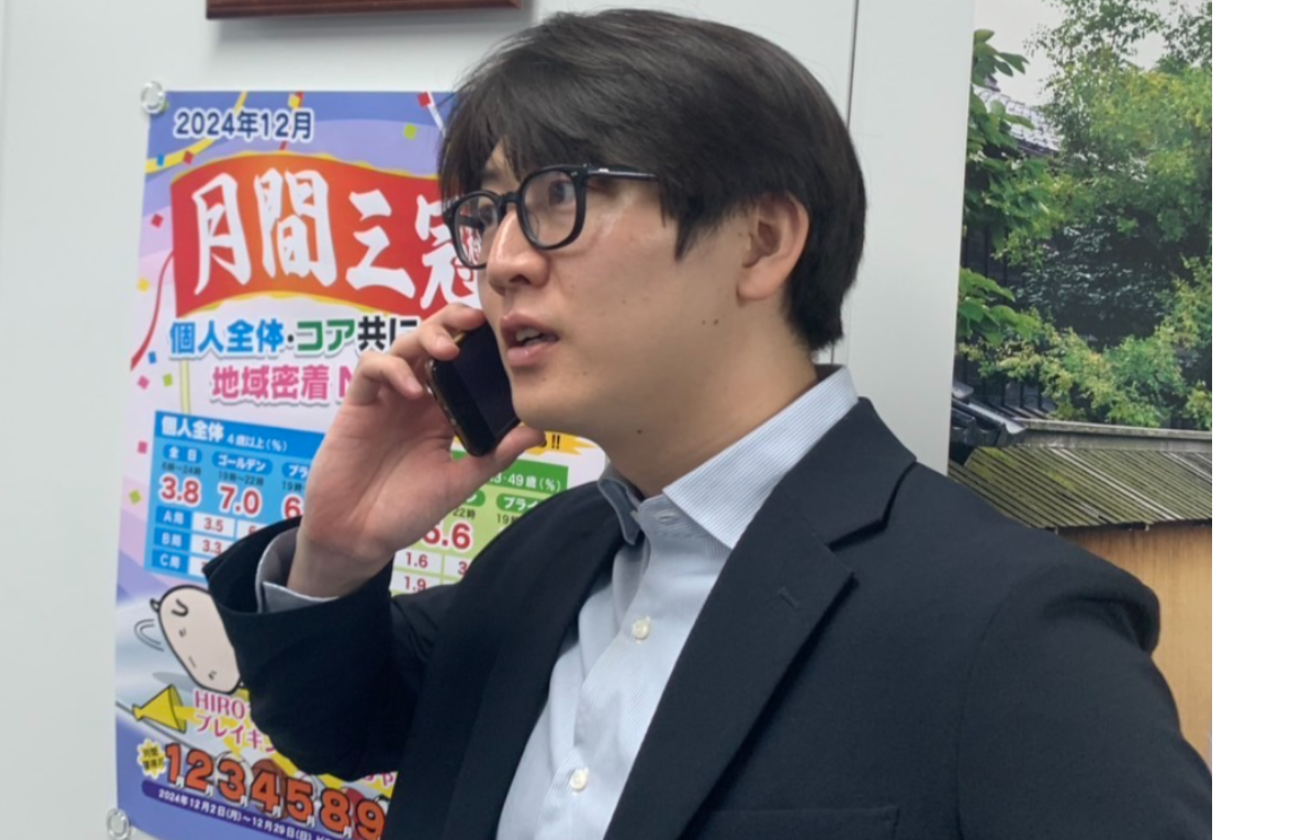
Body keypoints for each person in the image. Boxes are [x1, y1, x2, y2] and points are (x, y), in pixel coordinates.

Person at [205, 9, 1214, 839]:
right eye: (488, 215)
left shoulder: (1014, 631)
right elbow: (335, 727)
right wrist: (339, 552)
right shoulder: (543, 558)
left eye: (560, 196)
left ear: (762, 241)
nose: (504, 259)